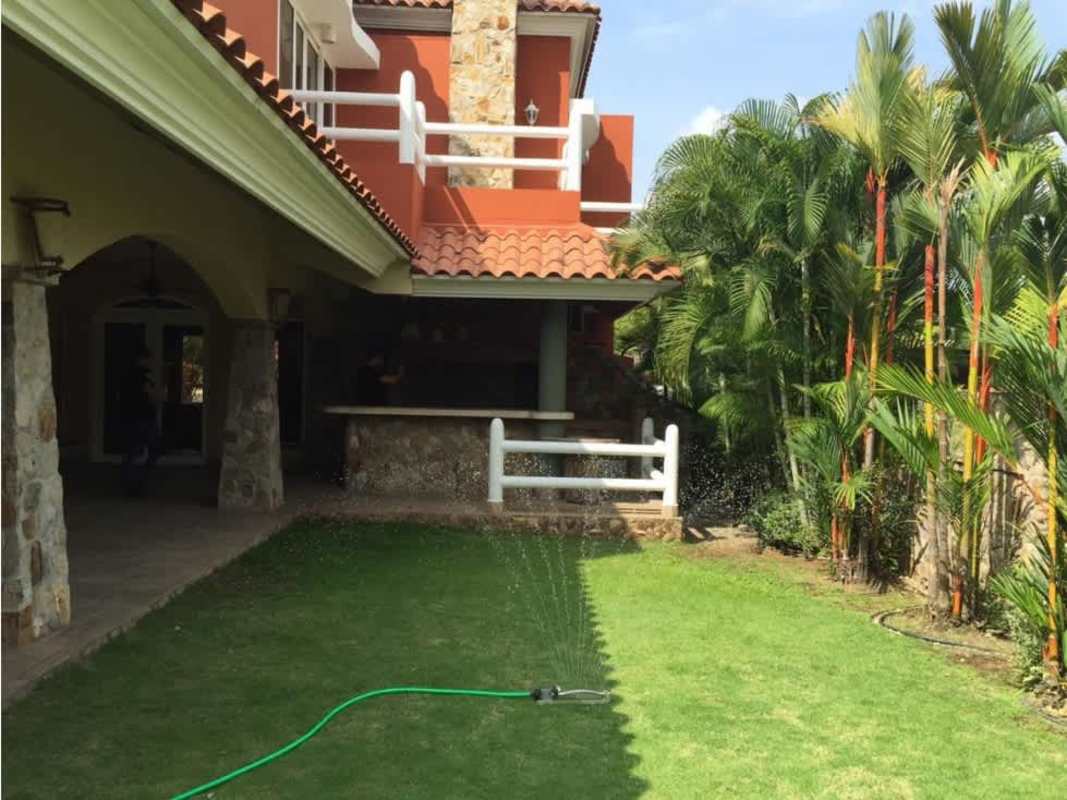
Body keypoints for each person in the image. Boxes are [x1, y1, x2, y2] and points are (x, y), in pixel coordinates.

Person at [120, 345, 161, 496]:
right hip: (144, 418)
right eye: (149, 359)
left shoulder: (126, 375)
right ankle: (137, 484)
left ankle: (130, 484)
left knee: (132, 452)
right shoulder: (145, 376)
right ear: (143, 359)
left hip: (131, 418)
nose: (151, 362)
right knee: (152, 449)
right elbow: (151, 395)